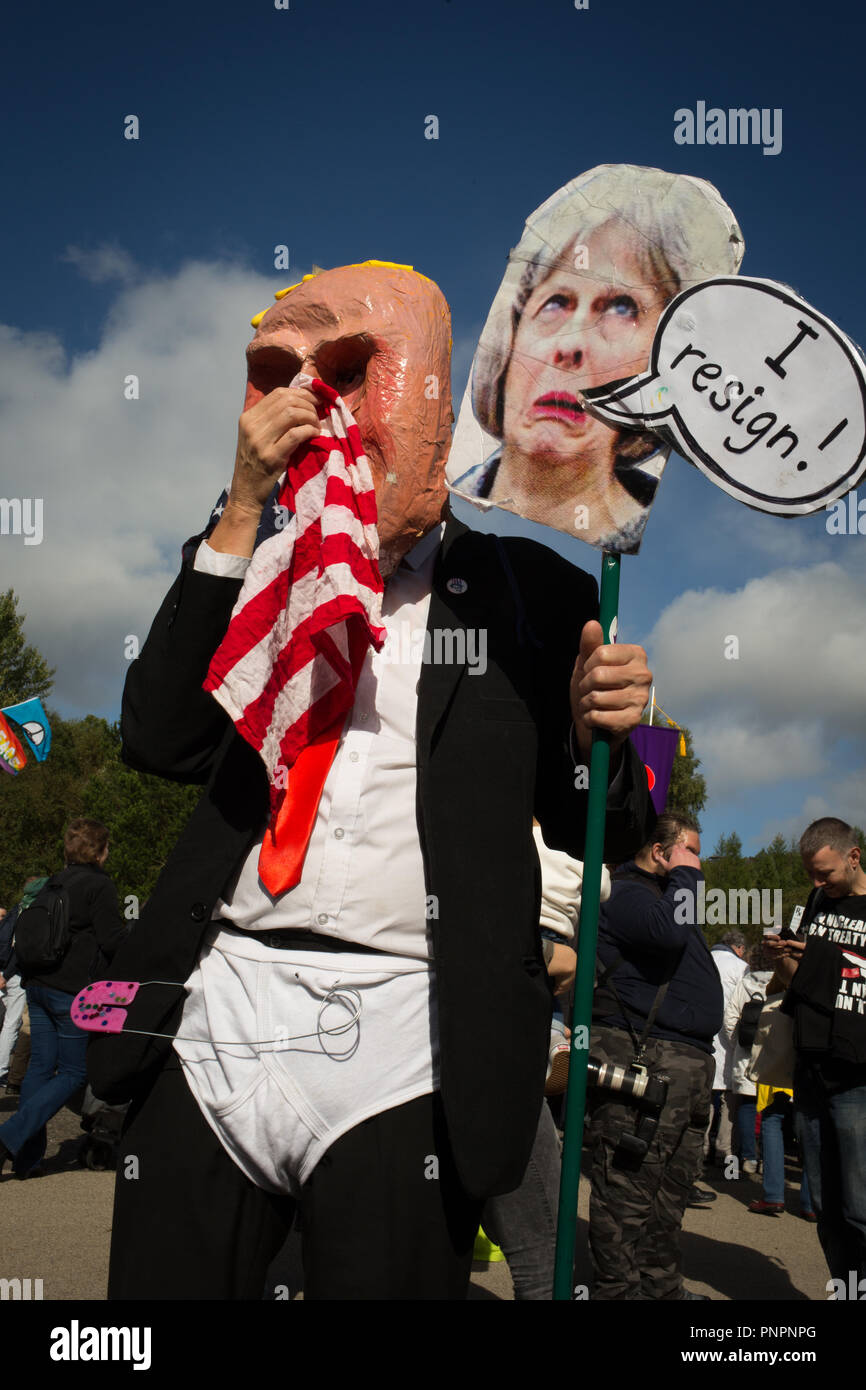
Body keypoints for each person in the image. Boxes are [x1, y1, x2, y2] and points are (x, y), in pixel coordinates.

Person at [89, 261, 654, 1302]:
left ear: (432, 398)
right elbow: (156, 740)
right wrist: (240, 512)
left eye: (348, 368)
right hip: (222, 1006)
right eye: (277, 373)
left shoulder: (538, 596)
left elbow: (611, 828)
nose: (310, 401)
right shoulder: (250, 560)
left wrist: (610, 732)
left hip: (408, 1040)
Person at [452, 164, 744, 551]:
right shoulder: (410, 542)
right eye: (556, 302)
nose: (570, 346)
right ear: (511, 334)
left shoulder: (585, 595)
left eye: (622, 309)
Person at [588, 810, 723, 1300]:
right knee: (627, 1191)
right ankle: (618, 1292)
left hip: (687, 1063)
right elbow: (667, 933)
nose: (698, 862)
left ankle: (661, 1290)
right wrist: (686, 874)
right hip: (648, 1057)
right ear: (661, 852)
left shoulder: (663, 897)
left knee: (672, 1192)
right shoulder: (623, 892)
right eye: (690, 850)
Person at [767, 817, 866, 1287]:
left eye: (824, 872)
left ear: (853, 856)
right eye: (810, 873)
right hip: (810, 1070)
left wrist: (821, 957)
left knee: (860, 1207)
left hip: (857, 1078)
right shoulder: (815, 902)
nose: (816, 882)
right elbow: (799, 983)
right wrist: (782, 955)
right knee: (825, 1206)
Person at [0, 820, 125, 1178]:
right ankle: (7, 1139)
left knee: (40, 1069)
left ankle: (27, 1159)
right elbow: (112, 940)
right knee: (73, 1072)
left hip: (37, 985)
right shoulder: (99, 885)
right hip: (71, 992)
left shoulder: (53, 882)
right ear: (100, 851)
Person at [722, 942, 772, 1176]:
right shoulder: (781, 984)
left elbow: (730, 1017)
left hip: (746, 1055)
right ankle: (769, 1159)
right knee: (772, 1112)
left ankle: (748, 1157)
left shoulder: (745, 983)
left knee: (747, 1107)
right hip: (774, 1057)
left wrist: (738, 1046)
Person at [707, 929, 748, 1165]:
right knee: (728, 1098)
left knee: (704, 1096)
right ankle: (725, 1151)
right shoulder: (740, 967)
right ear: (739, 948)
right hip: (729, 1039)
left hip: (703, 1037)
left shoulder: (704, 959)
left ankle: (700, 1148)